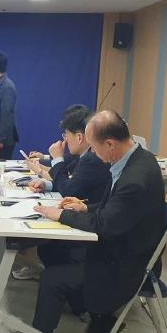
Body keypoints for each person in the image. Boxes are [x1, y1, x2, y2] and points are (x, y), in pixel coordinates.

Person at [1, 111, 165, 333]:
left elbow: (103, 225)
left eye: (95, 148)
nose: (95, 154)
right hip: (125, 247)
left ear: (110, 144)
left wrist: (61, 215)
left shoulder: (134, 179)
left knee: (53, 278)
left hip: (126, 264)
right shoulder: (140, 158)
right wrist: (86, 207)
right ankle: (92, 314)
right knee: (56, 250)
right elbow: (115, 207)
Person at [12, 105, 111, 280]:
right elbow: (68, 182)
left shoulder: (92, 159)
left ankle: (51, 275)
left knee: (39, 238)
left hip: (90, 225)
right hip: (82, 211)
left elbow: (69, 188)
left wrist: (57, 158)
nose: (64, 140)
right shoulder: (85, 155)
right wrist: (47, 185)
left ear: (79, 137)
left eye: (66, 135)